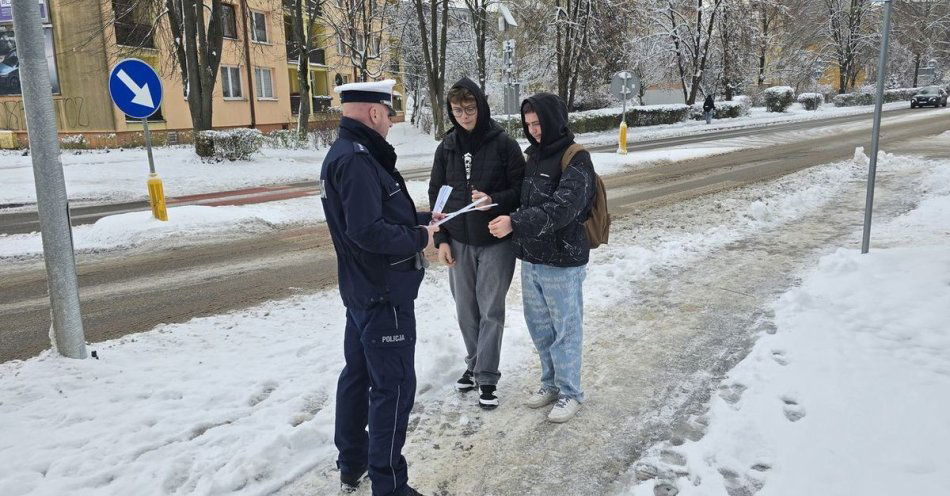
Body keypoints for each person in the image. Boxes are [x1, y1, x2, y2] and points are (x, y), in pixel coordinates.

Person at [321, 79, 438, 496]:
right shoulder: (356, 161)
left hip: (364, 292)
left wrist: (421, 219)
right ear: (373, 112)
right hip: (383, 294)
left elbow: (375, 213)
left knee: (358, 376)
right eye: (388, 114)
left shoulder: (352, 154)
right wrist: (418, 239)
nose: (389, 122)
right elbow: (366, 230)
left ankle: (353, 464)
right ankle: (390, 486)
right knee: (393, 388)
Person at [487, 93, 595, 423]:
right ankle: (550, 383)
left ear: (554, 120)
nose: (534, 130)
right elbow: (522, 199)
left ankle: (571, 392)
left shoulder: (577, 159)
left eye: (539, 123)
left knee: (566, 329)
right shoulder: (532, 157)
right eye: (529, 124)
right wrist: (491, 201)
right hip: (531, 259)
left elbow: (562, 210)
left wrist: (514, 223)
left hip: (562, 261)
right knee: (541, 329)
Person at [428, 77, 525, 409]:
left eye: (469, 108)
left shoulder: (504, 145)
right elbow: (436, 196)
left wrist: (493, 201)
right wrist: (441, 238)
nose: (464, 115)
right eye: (457, 109)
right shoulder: (447, 147)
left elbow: (521, 191)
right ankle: (474, 362)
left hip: (495, 242)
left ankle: (486, 376)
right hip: (458, 241)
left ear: (481, 107)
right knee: (465, 310)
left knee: (490, 310)